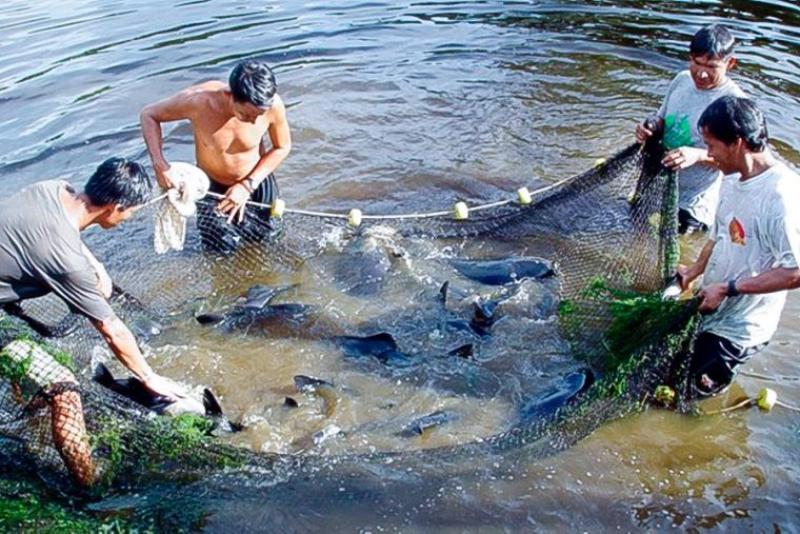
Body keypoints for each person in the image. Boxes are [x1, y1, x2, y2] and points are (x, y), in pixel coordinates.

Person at [676, 96, 800, 397]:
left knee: (686, 402)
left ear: (738, 143)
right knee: (669, 380)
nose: (708, 154)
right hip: (713, 305)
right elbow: (719, 237)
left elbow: (795, 272)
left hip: (739, 329)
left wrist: (728, 289)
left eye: (711, 144)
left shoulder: (781, 196)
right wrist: (693, 272)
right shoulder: (731, 177)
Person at [140, 59, 292, 254]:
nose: (254, 121)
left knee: (268, 243)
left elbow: (282, 147)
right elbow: (149, 115)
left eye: (258, 115)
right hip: (212, 187)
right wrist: (160, 165)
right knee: (220, 250)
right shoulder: (198, 101)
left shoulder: (273, 106)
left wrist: (247, 185)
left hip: (256, 181)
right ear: (230, 95)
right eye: (246, 115)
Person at [636, 24, 745, 234]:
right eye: (697, 63)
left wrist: (697, 156)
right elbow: (662, 118)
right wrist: (649, 126)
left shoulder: (734, 103)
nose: (701, 74)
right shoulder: (682, 80)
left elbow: (737, 162)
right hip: (658, 186)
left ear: (730, 63)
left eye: (712, 67)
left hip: (692, 204)